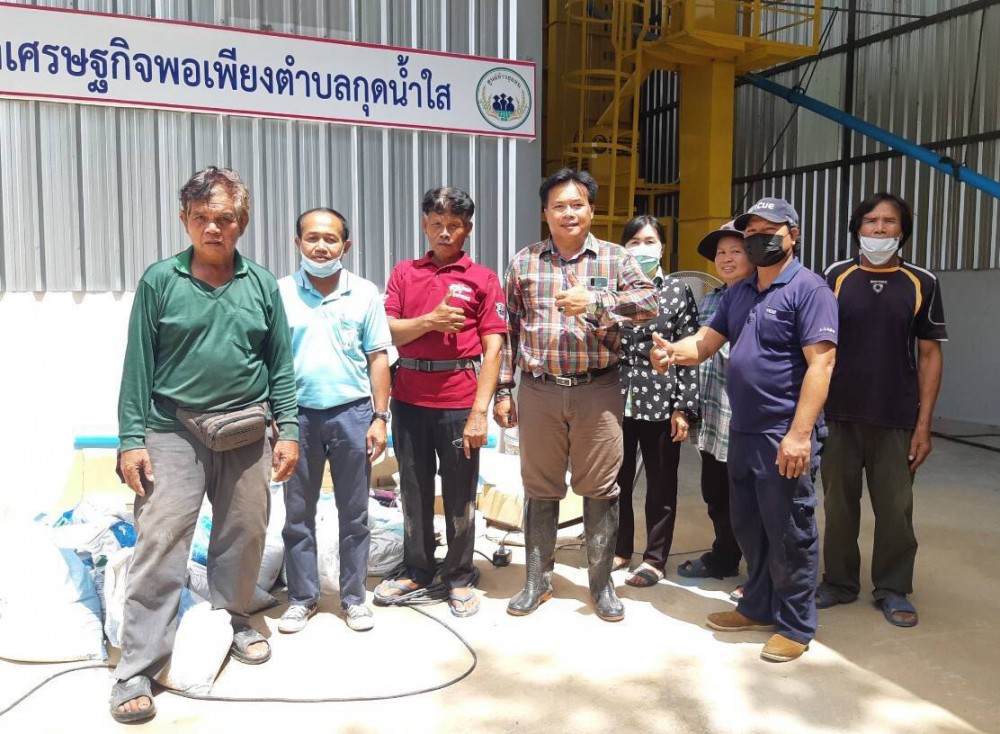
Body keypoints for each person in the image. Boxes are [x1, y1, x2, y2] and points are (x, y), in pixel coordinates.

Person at [111, 167, 299, 723]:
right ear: (184, 220)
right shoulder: (160, 281)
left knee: (245, 531)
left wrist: (288, 430)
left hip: (246, 429)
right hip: (172, 429)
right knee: (161, 539)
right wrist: (131, 441)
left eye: (224, 218)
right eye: (201, 218)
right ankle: (138, 665)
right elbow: (137, 366)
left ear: (242, 222)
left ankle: (236, 617)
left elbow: (280, 365)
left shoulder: (261, 284)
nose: (213, 228)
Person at [651, 197, 838, 662]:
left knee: (789, 531)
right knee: (750, 527)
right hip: (744, 430)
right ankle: (757, 606)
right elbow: (704, 343)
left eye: (768, 231)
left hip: (783, 433)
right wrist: (671, 351)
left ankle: (795, 625)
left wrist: (800, 434)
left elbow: (822, 364)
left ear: (793, 235)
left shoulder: (809, 290)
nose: (757, 239)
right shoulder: (740, 292)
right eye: (750, 231)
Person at [495, 168, 658, 622]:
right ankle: (537, 580)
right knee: (539, 487)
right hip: (540, 390)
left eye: (577, 204)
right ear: (545, 212)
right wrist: (505, 390)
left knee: (600, 487)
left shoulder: (615, 259)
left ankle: (601, 584)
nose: (568, 212)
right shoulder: (525, 262)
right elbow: (508, 330)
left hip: (598, 389)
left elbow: (650, 303)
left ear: (591, 209)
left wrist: (599, 302)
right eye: (559, 205)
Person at [375, 187, 507, 617]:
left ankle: (459, 574)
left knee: (459, 493)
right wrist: (431, 321)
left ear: (467, 229)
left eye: (454, 225)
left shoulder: (483, 278)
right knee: (413, 490)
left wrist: (480, 412)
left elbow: (494, 348)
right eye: (437, 224)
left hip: (459, 401)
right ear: (424, 225)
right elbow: (387, 330)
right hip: (409, 399)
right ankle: (417, 568)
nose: (445, 232)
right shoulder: (405, 273)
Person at [817, 193, 946, 628]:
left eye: (889, 221)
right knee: (838, 505)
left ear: (902, 229)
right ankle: (838, 582)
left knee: (895, 510)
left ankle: (893, 588)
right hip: (838, 414)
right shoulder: (835, 276)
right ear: (857, 228)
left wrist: (923, 425)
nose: (879, 228)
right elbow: (818, 347)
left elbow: (929, 355)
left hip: (896, 417)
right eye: (870, 220)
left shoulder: (921, 282)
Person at [276, 208, 392, 634]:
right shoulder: (280, 292)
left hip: (352, 414)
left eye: (330, 239)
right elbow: (271, 360)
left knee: (354, 513)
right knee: (297, 514)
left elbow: (378, 357)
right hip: (297, 418)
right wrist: (277, 420)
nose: (321, 247)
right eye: (312, 238)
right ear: (298, 243)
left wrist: (380, 417)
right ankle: (302, 598)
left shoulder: (364, 293)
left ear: (346, 245)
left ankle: (354, 598)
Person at [613, 215, 700, 587]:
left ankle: (654, 558)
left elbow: (691, 349)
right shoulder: (612, 289)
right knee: (614, 480)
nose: (642, 249)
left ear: (662, 247)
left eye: (649, 242)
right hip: (615, 396)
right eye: (634, 243)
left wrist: (684, 407)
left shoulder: (677, 292)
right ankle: (619, 548)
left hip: (661, 399)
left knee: (661, 483)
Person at [677, 222, 754, 586]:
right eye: (721, 253)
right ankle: (725, 556)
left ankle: (762, 574)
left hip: (746, 418)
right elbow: (698, 348)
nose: (726, 259)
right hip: (712, 416)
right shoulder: (712, 299)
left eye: (736, 251)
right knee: (717, 493)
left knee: (750, 499)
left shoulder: (763, 298)